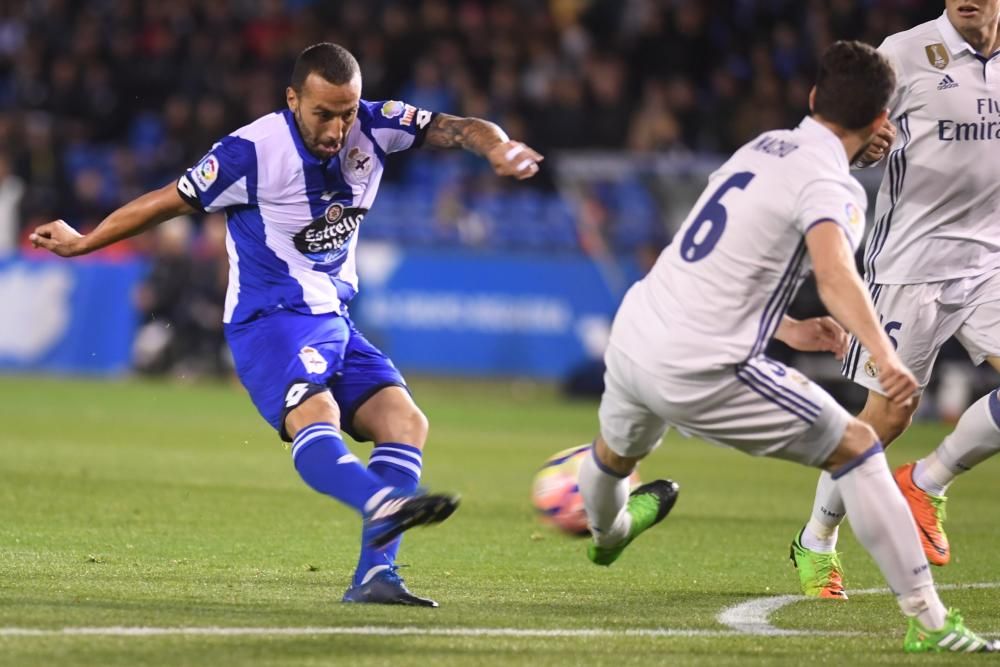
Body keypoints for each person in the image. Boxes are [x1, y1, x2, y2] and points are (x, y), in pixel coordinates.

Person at [30, 42, 543, 607]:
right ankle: (378, 502)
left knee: (404, 421)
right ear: (293, 98)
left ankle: (376, 576)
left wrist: (499, 147)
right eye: (324, 113)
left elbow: (460, 127)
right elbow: (167, 202)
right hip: (269, 319)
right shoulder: (251, 151)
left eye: (347, 112)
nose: (338, 127)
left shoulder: (376, 125)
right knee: (314, 412)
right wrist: (84, 242)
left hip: (333, 316)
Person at [577, 41, 996, 653]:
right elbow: (834, 274)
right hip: (703, 367)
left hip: (638, 329)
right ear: (884, 122)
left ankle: (608, 532)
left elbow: (713, 260)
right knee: (857, 448)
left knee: (614, 456)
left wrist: (791, 331)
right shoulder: (834, 188)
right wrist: (882, 353)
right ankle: (930, 621)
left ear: (811, 100)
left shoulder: (761, 148)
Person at [790, 0, 1000, 601]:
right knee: (888, 416)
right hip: (912, 263)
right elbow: (844, 131)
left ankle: (927, 482)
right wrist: (869, 142)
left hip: (990, 261)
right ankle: (818, 537)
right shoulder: (905, 52)